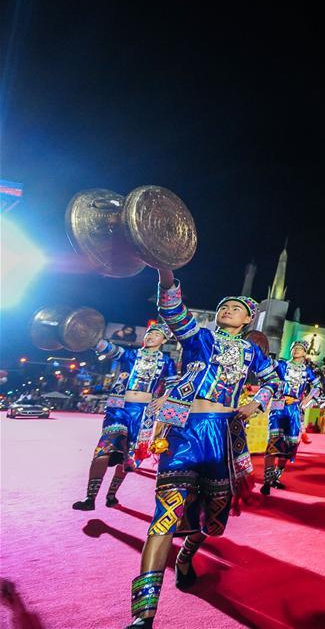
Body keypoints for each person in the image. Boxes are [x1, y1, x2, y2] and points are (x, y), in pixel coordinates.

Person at [126, 269, 280, 629]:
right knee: (163, 518)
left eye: (235, 308)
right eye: (223, 306)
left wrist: (256, 403)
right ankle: (143, 615)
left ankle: (188, 554)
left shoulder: (252, 353)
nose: (227, 309)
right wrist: (167, 274)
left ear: (248, 319)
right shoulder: (201, 339)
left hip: (223, 437)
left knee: (212, 520)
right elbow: (174, 311)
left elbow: (274, 380)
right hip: (183, 433)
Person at [72, 325, 177, 510]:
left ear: (164, 340)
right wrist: (90, 337)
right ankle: (90, 499)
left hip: (144, 414)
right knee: (103, 450)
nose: (151, 336)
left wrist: (163, 399)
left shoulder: (167, 362)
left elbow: (172, 385)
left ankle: (111, 495)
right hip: (118, 410)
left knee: (129, 457)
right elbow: (108, 348)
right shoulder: (129, 354)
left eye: (156, 334)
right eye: (149, 333)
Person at [261, 340, 321, 495]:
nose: (296, 350)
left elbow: (317, 386)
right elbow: (266, 364)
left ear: (305, 353)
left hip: (294, 408)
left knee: (288, 445)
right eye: (294, 348)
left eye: (300, 349)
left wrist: (306, 401)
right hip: (278, 406)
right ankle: (267, 481)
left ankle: (276, 477)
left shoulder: (307, 371)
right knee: (273, 442)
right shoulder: (281, 365)